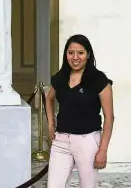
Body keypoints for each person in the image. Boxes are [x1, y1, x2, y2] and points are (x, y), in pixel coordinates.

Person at [46, 34, 114, 188]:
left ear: (88, 54)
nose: (75, 57)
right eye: (70, 53)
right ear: (66, 54)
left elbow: (109, 117)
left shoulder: (99, 80)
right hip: (61, 142)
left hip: (88, 142)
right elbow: (49, 99)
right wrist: (51, 124)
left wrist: (103, 150)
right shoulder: (60, 77)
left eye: (80, 53)